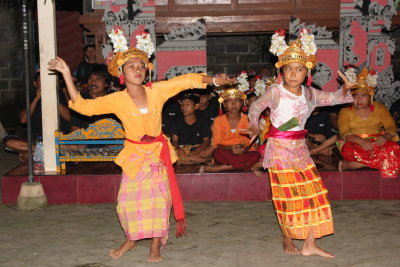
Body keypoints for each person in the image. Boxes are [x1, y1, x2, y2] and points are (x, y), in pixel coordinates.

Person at [48, 29, 236, 262]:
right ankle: (131, 239)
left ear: (146, 72)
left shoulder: (157, 91)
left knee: (159, 200)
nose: (137, 69)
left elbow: (187, 80)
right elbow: (81, 106)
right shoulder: (117, 99)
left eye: (141, 66)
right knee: (127, 202)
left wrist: (215, 80)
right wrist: (66, 72)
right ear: (121, 73)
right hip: (135, 155)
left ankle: (156, 245)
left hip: (157, 153)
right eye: (131, 66)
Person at [247, 29, 355, 257]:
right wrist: (254, 125)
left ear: (307, 72)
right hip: (279, 150)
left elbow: (334, 98)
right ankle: (287, 238)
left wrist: (344, 90)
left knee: (317, 192)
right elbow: (256, 107)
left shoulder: (309, 94)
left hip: (300, 150)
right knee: (288, 196)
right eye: (289, 69)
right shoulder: (275, 91)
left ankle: (309, 243)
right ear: (282, 71)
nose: (293, 74)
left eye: (299, 69)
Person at [338, 67, 400, 178]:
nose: (359, 99)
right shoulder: (345, 111)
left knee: (393, 148)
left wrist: (385, 137)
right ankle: (383, 163)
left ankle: (353, 165)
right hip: (355, 143)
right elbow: (344, 133)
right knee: (348, 151)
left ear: (370, 96)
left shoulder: (380, 107)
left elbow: (391, 127)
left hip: (378, 143)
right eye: (355, 96)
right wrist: (361, 142)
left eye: (363, 96)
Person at [2, 71, 70, 167]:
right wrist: (36, 99)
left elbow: (68, 118)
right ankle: (46, 151)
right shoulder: (30, 98)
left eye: (47, 81)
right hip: (36, 140)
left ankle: (35, 154)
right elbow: (23, 120)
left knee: (26, 156)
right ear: (35, 84)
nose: (45, 83)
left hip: (56, 138)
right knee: (7, 141)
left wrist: (54, 99)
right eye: (41, 80)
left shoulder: (60, 97)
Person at [206, 87, 260, 172]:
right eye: (229, 101)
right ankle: (244, 165)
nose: (233, 104)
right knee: (217, 153)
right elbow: (216, 144)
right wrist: (230, 148)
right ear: (224, 104)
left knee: (255, 155)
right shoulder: (218, 120)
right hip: (227, 152)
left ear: (242, 103)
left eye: (237, 101)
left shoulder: (249, 119)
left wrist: (243, 150)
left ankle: (220, 168)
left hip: (244, 152)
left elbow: (251, 143)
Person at [70, 64, 117, 132]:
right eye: (90, 78)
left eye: (98, 79)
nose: (93, 82)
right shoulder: (80, 100)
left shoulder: (114, 99)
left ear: (106, 83)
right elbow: (74, 129)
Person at [170, 92, 212, 165]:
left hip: (198, 150)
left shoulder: (203, 121)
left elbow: (206, 141)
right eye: (182, 104)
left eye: (187, 104)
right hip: (181, 149)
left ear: (196, 106)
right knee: (169, 153)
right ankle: (198, 160)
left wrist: (197, 150)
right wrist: (179, 150)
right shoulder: (176, 121)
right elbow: (174, 140)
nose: (184, 107)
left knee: (213, 149)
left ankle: (194, 159)